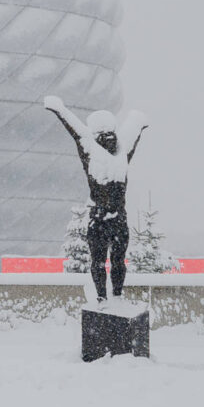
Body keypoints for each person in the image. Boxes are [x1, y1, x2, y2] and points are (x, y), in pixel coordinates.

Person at [44, 97, 149, 303]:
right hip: (99, 220)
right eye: (103, 135)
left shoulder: (122, 153)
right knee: (99, 262)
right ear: (97, 137)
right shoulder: (91, 153)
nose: (109, 138)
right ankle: (101, 298)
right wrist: (60, 110)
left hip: (118, 219)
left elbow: (134, 130)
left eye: (111, 134)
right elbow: (77, 131)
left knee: (118, 261)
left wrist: (139, 121)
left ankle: (117, 296)